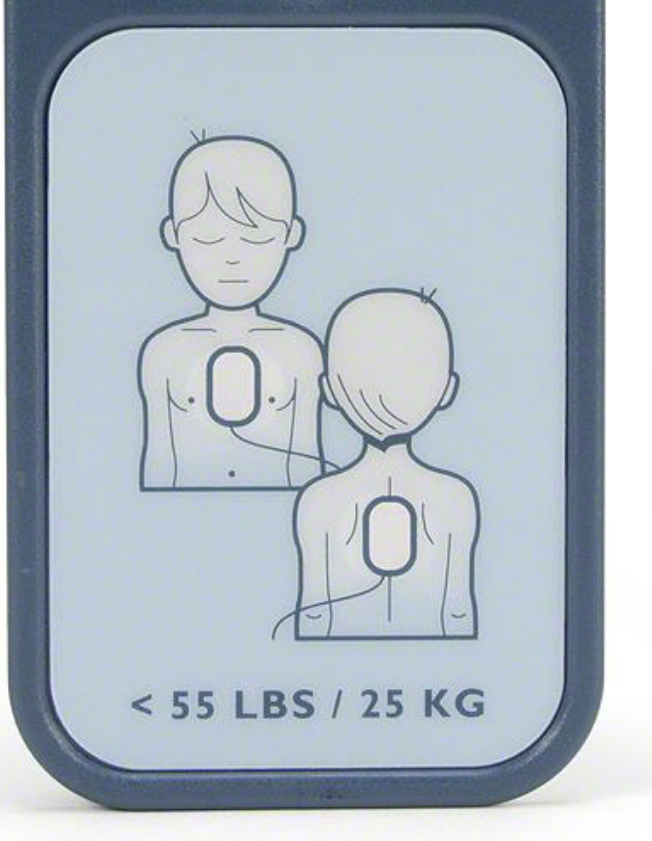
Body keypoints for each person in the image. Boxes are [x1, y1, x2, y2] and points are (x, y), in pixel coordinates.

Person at [285, 289, 479, 639]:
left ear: (328, 391)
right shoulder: (456, 498)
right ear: (448, 389)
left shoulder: (319, 500)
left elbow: (313, 615)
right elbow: (458, 612)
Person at [138, 136, 324, 490]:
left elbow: (306, 471)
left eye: (256, 240)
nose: (233, 258)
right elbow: (160, 464)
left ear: (292, 234)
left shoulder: (301, 351)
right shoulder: (164, 352)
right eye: (208, 240)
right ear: (173, 235)